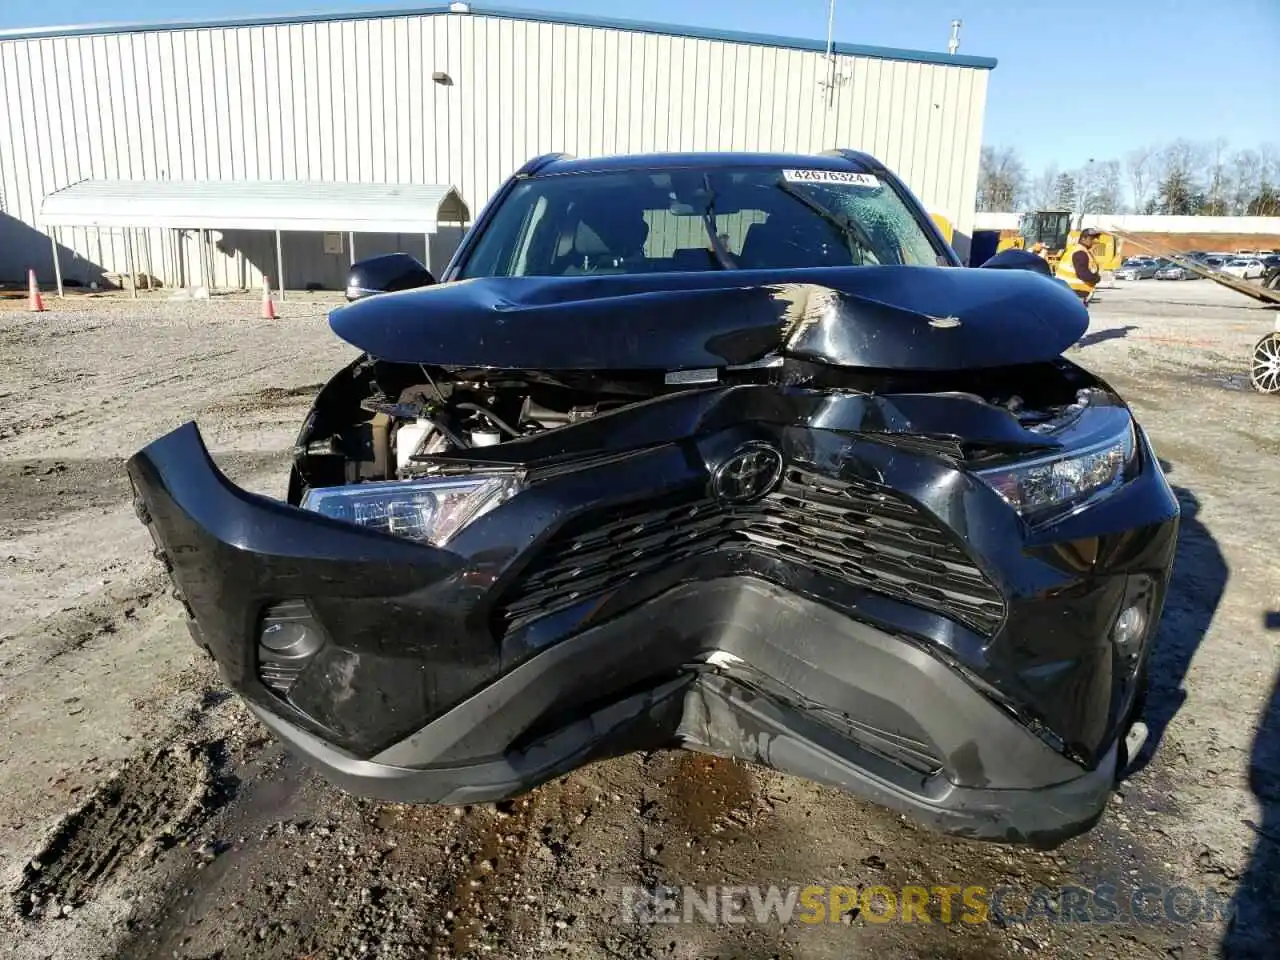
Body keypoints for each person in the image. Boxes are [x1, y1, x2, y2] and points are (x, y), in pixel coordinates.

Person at [1055, 228, 1103, 303]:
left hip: (1067, 291)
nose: (1095, 241)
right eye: (1092, 238)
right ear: (1083, 239)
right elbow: (1083, 273)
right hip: (1074, 292)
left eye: (1096, 238)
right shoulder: (1080, 253)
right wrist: (1096, 278)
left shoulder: (1078, 250)